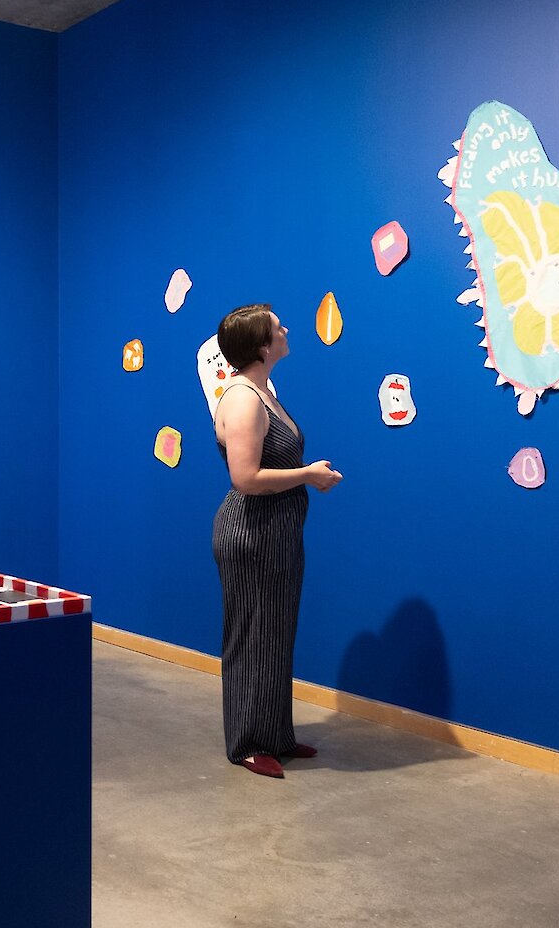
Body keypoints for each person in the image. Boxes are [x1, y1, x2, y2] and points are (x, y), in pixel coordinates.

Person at [212, 303, 342, 779]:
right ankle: (248, 741)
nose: (286, 329)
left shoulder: (262, 390)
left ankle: (275, 735)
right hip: (252, 532)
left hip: (277, 530)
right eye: (277, 327)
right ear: (264, 347)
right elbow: (245, 478)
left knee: (276, 630)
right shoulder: (244, 399)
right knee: (253, 633)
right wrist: (307, 475)